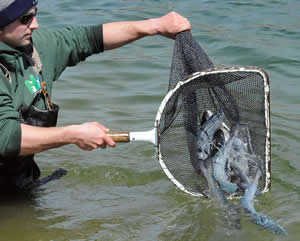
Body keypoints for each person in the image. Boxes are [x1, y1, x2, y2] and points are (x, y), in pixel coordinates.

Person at [0, 0, 191, 191]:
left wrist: (154, 25)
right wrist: (73, 134)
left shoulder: (34, 49)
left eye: (34, 14)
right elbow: (5, 137)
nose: (35, 24)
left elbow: (89, 38)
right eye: (25, 18)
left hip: (20, 184)